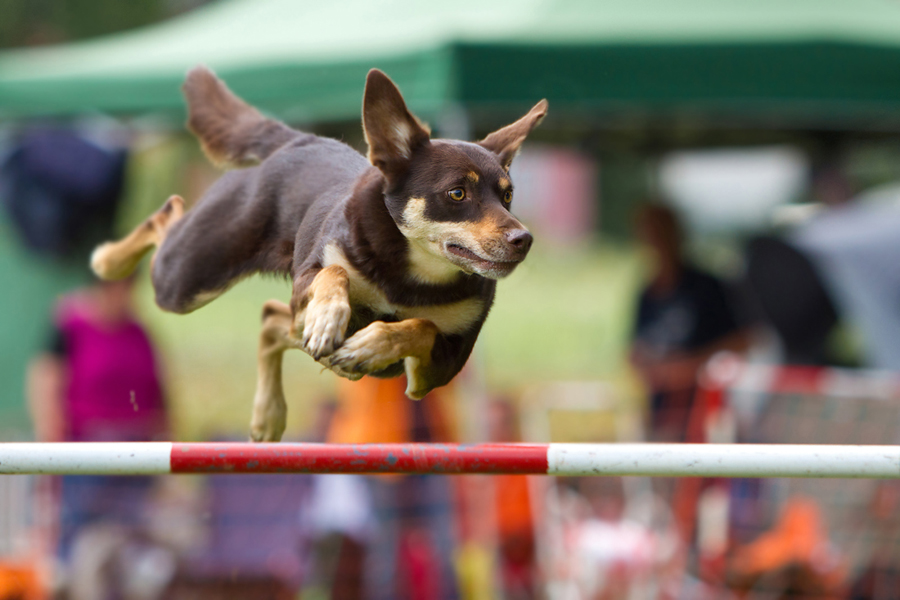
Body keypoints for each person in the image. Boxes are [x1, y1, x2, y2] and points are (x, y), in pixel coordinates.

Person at [27, 276, 171, 596]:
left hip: (135, 456)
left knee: (130, 547)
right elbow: (46, 381)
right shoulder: (70, 325)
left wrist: (164, 448)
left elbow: (160, 395)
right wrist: (52, 443)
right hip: (84, 454)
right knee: (74, 548)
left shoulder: (139, 333)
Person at [630, 204, 750, 441]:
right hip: (661, 412)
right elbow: (634, 350)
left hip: (706, 410)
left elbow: (744, 340)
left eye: (660, 232)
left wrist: (689, 368)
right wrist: (648, 368)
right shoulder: (647, 292)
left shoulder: (707, 287)